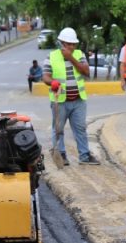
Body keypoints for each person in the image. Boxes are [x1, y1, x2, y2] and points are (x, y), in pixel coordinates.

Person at [43, 27, 100, 166]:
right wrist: (53, 82)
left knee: (80, 128)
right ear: (62, 43)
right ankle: (61, 155)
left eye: (74, 44)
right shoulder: (51, 56)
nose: (72, 46)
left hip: (78, 101)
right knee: (58, 129)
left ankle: (85, 156)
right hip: (60, 101)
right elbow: (45, 77)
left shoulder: (79, 54)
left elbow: (86, 72)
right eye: (69, 44)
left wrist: (71, 58)